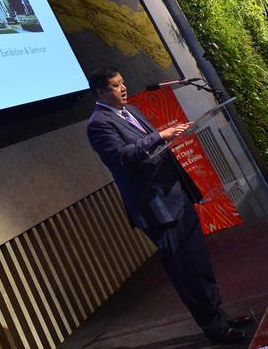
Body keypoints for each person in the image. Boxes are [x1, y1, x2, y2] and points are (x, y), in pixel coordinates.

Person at [86, 67, 252, 344]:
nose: (124, 88)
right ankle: (212, 327)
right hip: (155, 207)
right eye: (116, 86)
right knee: (184, 271)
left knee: (199, 262)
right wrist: (160, 136)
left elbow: (149, 145)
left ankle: (219, 314)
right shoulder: (98, 124)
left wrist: (166, 135)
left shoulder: (133, 111)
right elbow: (121, 155)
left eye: (123, 82)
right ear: (101, 93)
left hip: (176, 194)